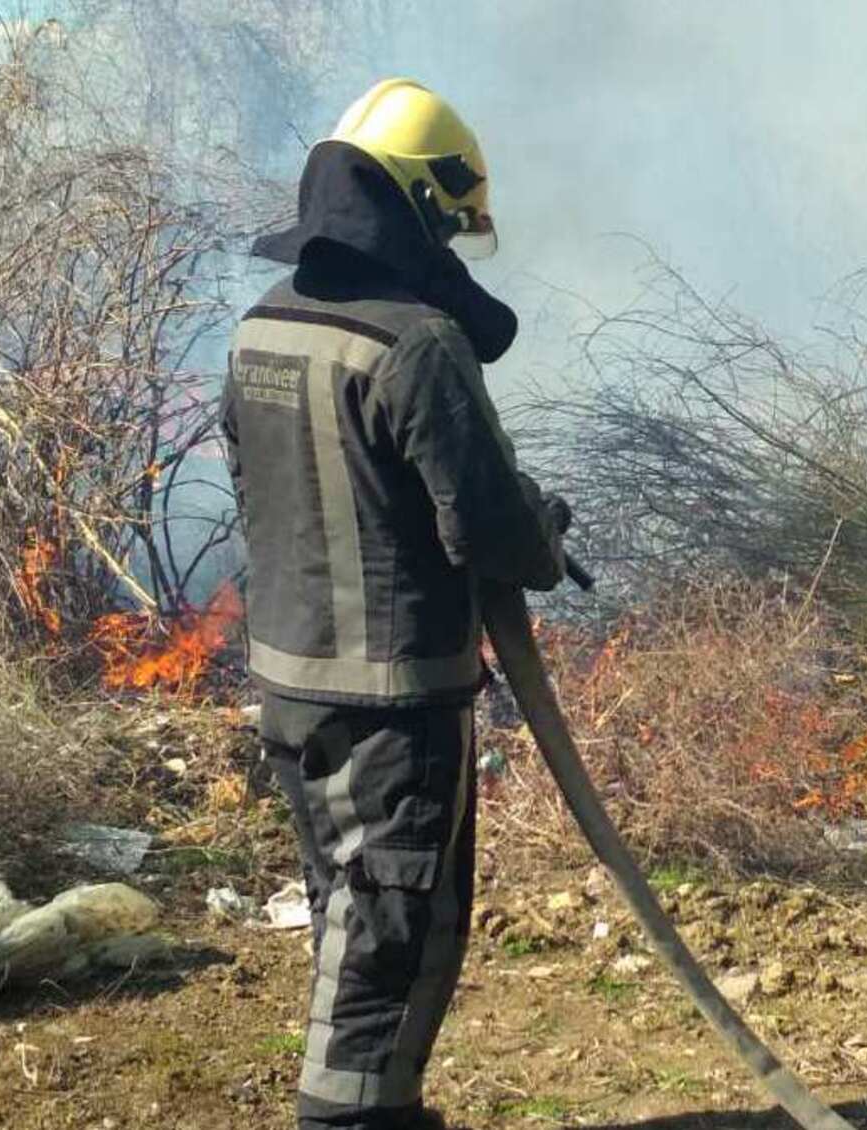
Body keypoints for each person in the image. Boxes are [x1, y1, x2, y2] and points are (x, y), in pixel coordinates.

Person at [221, 78, 569, 1130]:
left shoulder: (264, 323)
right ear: (418, 204)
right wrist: (542, 528)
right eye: (449, 225)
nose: (452, 251)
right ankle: (352, 1118)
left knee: (348, 910)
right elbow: (494, 530)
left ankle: (378, 1106)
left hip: (291, 685)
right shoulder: (415, 344)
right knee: (394, 931)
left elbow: (256, 485)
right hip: (392, 706)